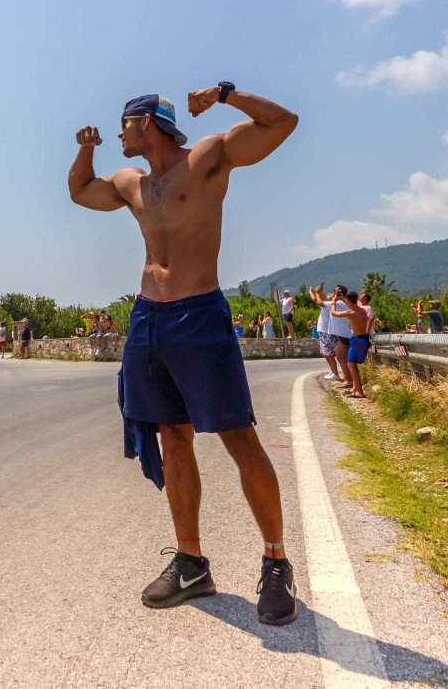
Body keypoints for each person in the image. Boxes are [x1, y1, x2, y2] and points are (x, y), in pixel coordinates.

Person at [68, 85, 299, 625]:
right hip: (149, 320)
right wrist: (85, 150)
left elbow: (283, 123)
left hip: (200, 315)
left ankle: (275, 561)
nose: (119, 133)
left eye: (123, 125)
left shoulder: (209, 157)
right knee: (173, 437)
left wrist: (226, 95)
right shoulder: (131, 182)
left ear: (145, 122)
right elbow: (81, 192)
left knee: (239, 436)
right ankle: (192, 562)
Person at [331, 292, 371, 398]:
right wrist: (343, 298)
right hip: (361, 339)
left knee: (352, 366)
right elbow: (351, 303)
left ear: (348, 301)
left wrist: (333, 302)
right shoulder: (362, 309)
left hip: (358, 340)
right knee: (351, 365)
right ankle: (355, 388)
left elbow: (334, 313)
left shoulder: (351, 313)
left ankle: (360, 392)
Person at [311, 284, 342, 382]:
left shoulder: (328, 305)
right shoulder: (330, 304)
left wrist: (313, 292)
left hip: (326, 331)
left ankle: (335, 373)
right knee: (327, 353)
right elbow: (321, 299)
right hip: (326, 331)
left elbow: (316, 300)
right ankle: (333, 372)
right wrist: (320, 292)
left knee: (328, 353)